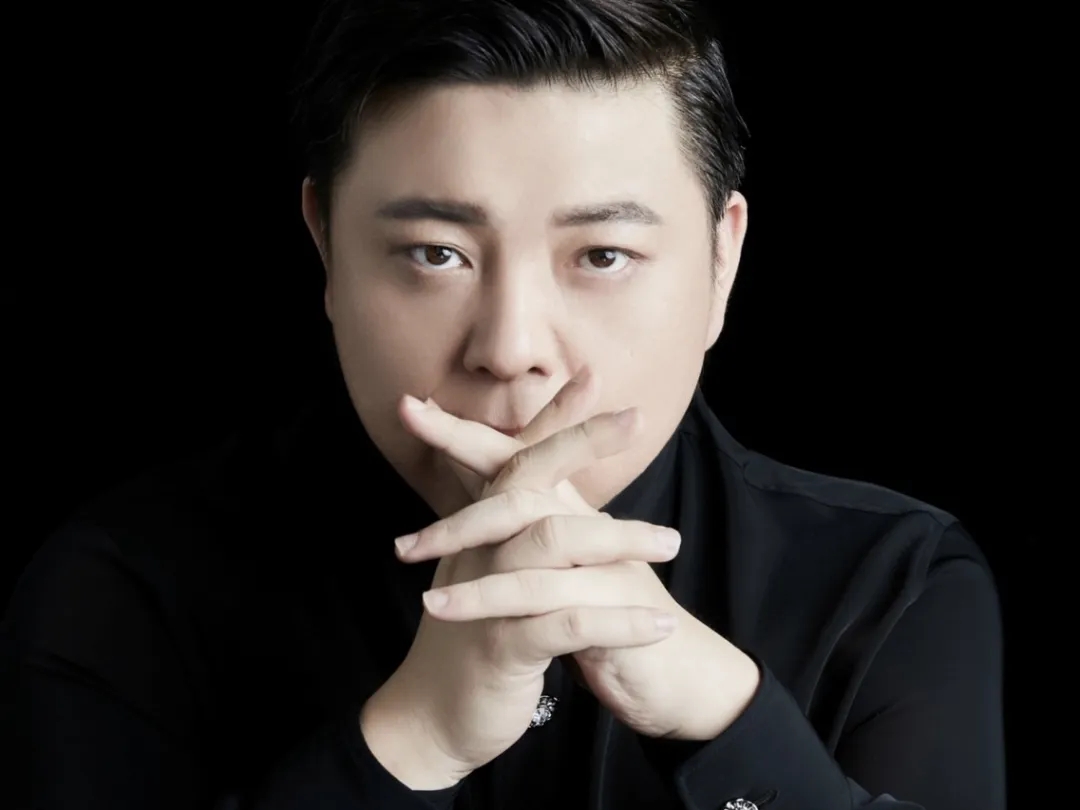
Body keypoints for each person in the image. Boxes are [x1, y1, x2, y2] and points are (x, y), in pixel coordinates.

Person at [2, 0, 1005, 808]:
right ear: (327, 249)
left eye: (602, 256)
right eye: (436, 254)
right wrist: (414, 739)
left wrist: (735, 725)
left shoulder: (892, 585)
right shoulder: (126, 589)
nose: (511, 350)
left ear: (721, 262)